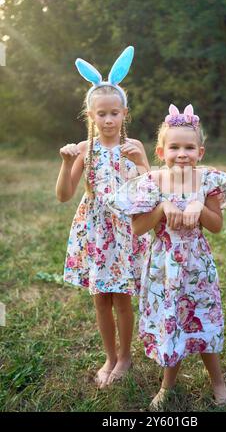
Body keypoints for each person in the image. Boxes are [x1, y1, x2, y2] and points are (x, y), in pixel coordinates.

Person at [108, 103, 226, 410]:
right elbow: (138, 227)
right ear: (161, 152)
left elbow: (217, 227)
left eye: (189, 147)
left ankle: (218, 383)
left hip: (198, 268)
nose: (181, 154)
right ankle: (166, 386)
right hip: (164, 268)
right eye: (174, 147)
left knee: (204, 323)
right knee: (172, 323)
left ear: (200, 152)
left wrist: (200, 210)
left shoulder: (207, 181)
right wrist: (162, 209)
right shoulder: (152, 183)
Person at [56, 46, 151, 389]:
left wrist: (142, 163)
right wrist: (67, 164)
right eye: (102, 114)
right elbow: (64, 195)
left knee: (122, 298)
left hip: (125, 229)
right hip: (95, 229)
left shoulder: (133, 147)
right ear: (91, 115)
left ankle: (126, 357)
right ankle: (109, 356)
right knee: (100, 299)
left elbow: (150, 192)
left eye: (114, 113)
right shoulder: (85, 149)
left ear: (125, 113)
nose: (108, 119)